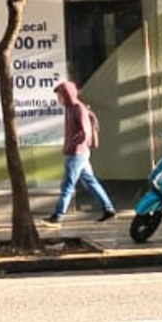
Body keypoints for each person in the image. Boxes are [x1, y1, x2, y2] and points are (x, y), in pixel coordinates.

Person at [43, 81, 116, 225]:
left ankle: (58, 216)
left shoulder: (77, 108)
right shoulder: (70, 109)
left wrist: (72, 145)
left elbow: (85, 132)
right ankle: (108, 209)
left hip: (77, 153)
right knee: (90, 181)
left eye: (60, 96)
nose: (59, 99)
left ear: (67, 95)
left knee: (67, 185)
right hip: (77, 152)